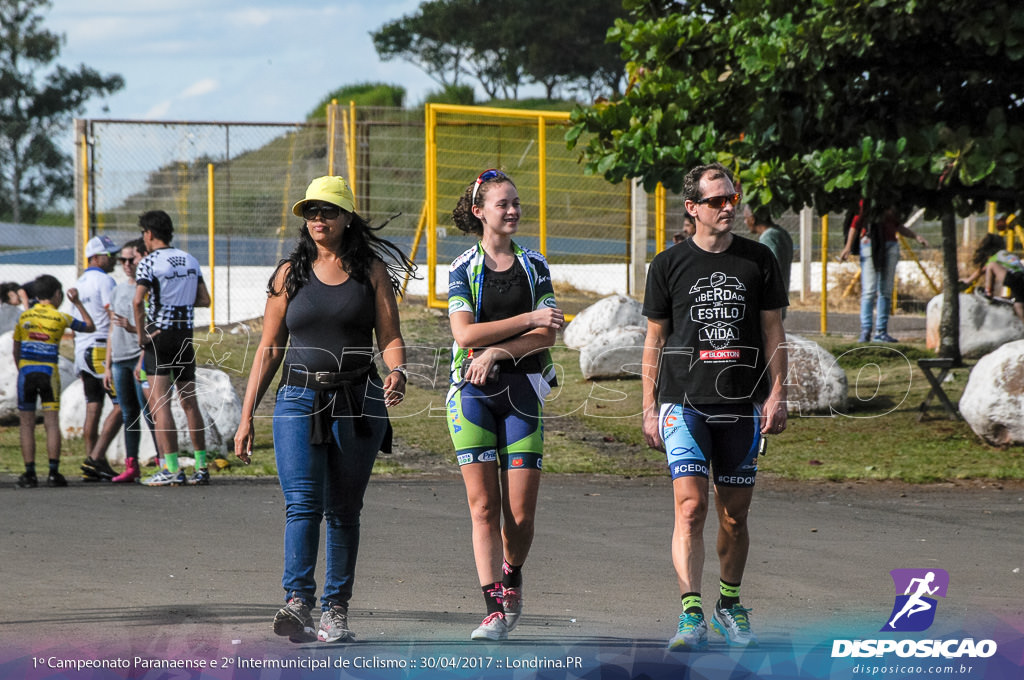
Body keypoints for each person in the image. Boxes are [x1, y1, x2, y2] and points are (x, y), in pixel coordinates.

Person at [234, 175, 413, 644]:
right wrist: (246, 414)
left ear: (347, 217)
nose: (318, 219)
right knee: (302, 506)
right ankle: (297, 602)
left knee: (343, 509)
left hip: (358, 399)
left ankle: (336, 611)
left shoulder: (371, 272)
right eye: (311, 211)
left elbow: (389, 336)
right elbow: (269, 348)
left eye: (328, 211)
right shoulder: (288, 274)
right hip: (297, 399)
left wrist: (397, 371)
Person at [641, 162, 788, 651]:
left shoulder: (758, 260)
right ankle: (691, 613)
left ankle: (729, 604)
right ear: (692, 209)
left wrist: (779, 393)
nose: (729, 207)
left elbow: (773, 331)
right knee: (690, 508)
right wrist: (647, 405)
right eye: (717, 200)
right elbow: (654, 339)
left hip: (742, 404)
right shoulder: (667, 264)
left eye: (732, 198)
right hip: (682, 402)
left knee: (734, 516)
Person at [446, 169, 564, 641]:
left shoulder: (535, 266)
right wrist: (526, 320)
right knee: (483, 508)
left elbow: (548, 332)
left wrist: (498, 350)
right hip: (471, 393)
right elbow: (463, 334)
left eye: (516, 202)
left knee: (520, 516)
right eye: (503, 204)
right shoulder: (462, 267)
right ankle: (492, 605)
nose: (513, 210)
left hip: (522, 390)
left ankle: (511, 573)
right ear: (480, 212)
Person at [133, 210, 212, 486]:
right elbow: (205, 300)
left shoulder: (149, 262)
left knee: (160, 405)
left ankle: (171, 468)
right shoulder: (191, 260)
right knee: (190, 403)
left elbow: (137, 301)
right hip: (184, 336)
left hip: (159, 336)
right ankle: (201, 468)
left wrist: (143, 336)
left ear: (149, 234)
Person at [13, 275, 95, 488]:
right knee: (51, 423)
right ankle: (53, 472)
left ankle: (29, 473)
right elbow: (89, 326)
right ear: (57, 294)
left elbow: (16, 348)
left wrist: (21, 367)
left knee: (26, 423)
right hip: (48, 372)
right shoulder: (61, 318)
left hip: (26, 371)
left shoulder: (24, 318)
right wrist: (77, 303)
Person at [839, 202, 929, 342]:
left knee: (886, 291)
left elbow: (897, 225)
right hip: (870, 244)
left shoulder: (892, 200)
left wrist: (915, 236)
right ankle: (866, 330)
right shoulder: (868, 199)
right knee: (869, 290)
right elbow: (855, 224)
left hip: (891, 245)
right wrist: (848, 247)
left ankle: (881, 332)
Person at [105, 239, 156, 483]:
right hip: (119, 360)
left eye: (130, 259)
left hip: (139, 357)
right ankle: (131, 464)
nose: (126, 264)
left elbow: (152, 330)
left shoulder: (147, 289)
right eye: (122, 260)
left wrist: (133, 328)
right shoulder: (117, 290)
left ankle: (163, 461)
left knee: (149, 411)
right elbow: (111, 331)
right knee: (128, 414)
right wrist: (107, 365)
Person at [74, 235, 123, 482]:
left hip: (82, 350)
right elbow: (113, 314)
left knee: (93, 406)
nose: (114, 259)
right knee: (123, 403)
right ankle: (95, 458)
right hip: (101, 348)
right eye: (110, 254)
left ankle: (95, 463)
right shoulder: (105, 280)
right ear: (95, 257)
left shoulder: (80, 281)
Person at [744, 205, 793, 319]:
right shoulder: (782, 232)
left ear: (753, 219)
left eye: (746, 218)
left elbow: (768, 270)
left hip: (770, 304)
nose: (745, 222)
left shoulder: (768, 238)